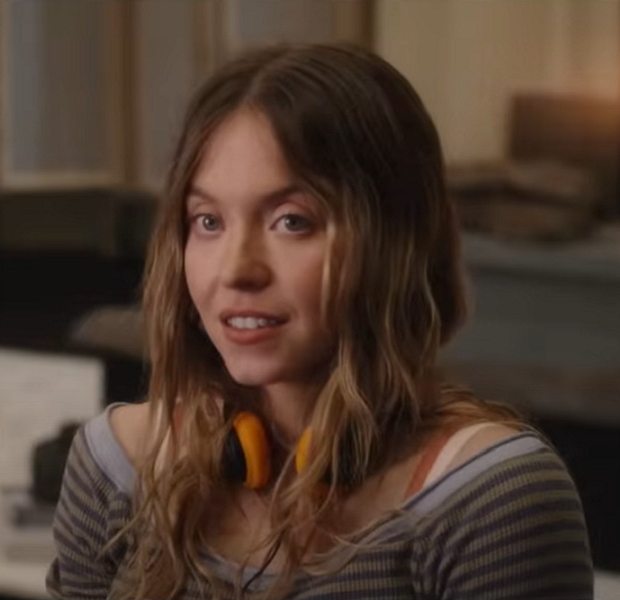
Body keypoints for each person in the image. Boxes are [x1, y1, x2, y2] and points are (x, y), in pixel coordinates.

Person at [47, 42, 593, 600]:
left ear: (397, 245)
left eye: (292, 221)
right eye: (208, 221)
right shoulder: (114, 468)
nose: (236, 270)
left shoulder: (493, 500)